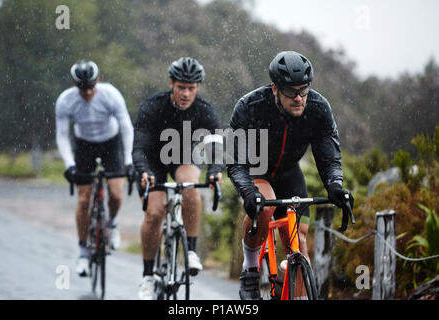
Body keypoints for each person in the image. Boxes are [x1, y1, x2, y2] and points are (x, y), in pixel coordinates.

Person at [227, 51, 354, 300]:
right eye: (291, 91)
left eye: (303, 90)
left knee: (299, 244)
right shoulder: (249, 107)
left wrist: (335, 185)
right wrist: (248, 192)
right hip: (257, 170)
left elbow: (329, 157)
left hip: (289, 172)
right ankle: (250, 270)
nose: (298, 98)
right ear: (275, 88)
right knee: (264, 208)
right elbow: (235, 163)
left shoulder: (318, 108)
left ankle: (294, 291)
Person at [133, 57, 224, 300]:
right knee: (154, 212)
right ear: (171, 84)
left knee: (191, 189)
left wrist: (215, 171)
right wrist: (144, 172)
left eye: (191, 88)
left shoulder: (204, 110)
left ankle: (191, 251)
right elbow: (139, 147)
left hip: (183, 156)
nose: (185, 93)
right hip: (152, 160)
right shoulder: (153, 106)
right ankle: (148, 276)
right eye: (181, 87)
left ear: (198, 88)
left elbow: (216, 147)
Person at [55, 60, 135, 277]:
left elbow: (127, 127)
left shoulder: (111, 95)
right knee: (83, 200)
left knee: (116, 194)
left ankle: (112, 223)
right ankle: (82, 251)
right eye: (83, 88)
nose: (88, 92)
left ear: (98, 80)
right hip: (84, 145)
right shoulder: (65, 101)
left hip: (111, 142)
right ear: (75, 84)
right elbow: (62, 135)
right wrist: (69, 165)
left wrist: (128, 160)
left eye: (91, 86)